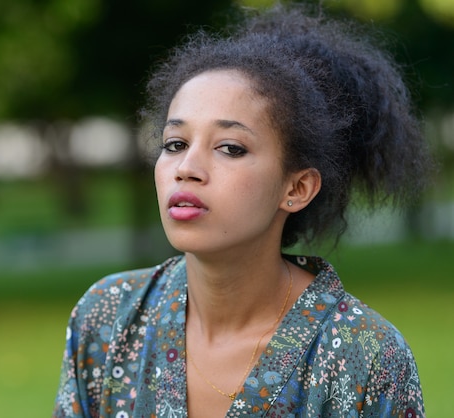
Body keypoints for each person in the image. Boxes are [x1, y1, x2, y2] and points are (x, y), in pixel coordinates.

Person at [53, 4, 433, 417]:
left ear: (296, 188)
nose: (187, 169)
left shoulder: (366, 355)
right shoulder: (108, 318)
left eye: (230, 148)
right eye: (175, 143)